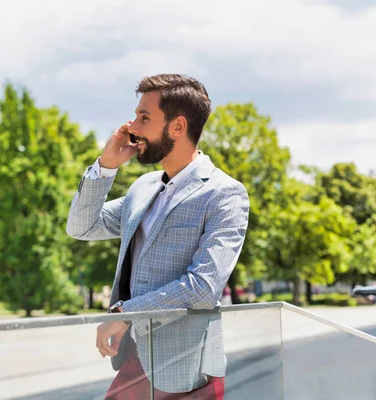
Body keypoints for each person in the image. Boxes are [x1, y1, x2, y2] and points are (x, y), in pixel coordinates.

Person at [66, 73, 250, 399]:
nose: (132, 127)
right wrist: (106, 166)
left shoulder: (225, 194)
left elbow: (203, 288)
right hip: (136, 361)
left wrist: (126, 314)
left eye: (144, 117)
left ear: (177, 127)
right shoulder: (143, 188)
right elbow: (81, 227)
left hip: (189, 371)